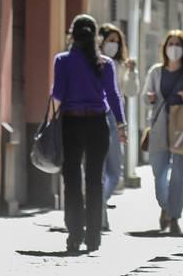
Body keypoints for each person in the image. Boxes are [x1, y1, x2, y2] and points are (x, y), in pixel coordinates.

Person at [50, 14, 126, 253]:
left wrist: (50, 121)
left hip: (71, 125)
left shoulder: (62, 61)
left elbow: (57, 95)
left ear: (72, 34)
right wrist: (122, 125)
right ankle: (93, 237)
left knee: (71, 180)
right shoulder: (105, 63)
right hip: (97, 125)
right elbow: (113, 95)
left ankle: (74, 235)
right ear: (96, 37)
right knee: (95, 180)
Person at [142, 30, 183, 235]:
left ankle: (174, 216)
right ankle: (165, 207)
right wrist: (149, 97)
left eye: (177, 44)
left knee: (180, 175)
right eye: (170, 44)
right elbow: (144, 96)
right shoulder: (155, 71)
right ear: (165, 48)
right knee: (158, 173)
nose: (173, 48)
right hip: (159, 127)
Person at [98, 23, 138, 226]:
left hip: (116, 118)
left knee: (115, 171)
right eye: (109, 40)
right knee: (100, 169)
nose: (113, 44)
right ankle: (99, 213)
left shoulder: (122, 64)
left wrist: (132, 73)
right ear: (100, 41)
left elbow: (130, 92)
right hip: (98, 116)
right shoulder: (95, 62)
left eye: (116, 41)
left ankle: (97, 204)